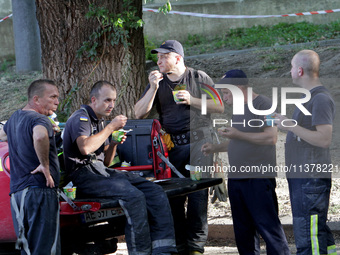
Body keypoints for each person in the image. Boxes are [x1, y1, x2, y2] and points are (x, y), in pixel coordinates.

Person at [62, 80, 176, 255]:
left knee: (154, 190)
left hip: (101, 172)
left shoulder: (100, 122)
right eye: (107, 100)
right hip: (82, 175)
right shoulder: (81, 117)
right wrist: (110, 128)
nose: (111, 105)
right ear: (93, 100)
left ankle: (164, 249)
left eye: (114, 100)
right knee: (134, 197)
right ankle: (141, 252)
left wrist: (113, 142)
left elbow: (106, 162)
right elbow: (85, 148)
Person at [134, 40, 224, 255]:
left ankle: (195, 248)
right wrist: (153, 88)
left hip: (199, 143)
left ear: (177, 58)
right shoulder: (158, 82)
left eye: (164, 56)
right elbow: (138, 113)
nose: (159, 61)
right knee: (173, 197)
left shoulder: (198, 77)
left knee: (197, 197)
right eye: (158, 57)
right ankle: (180, 245)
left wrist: (192, 100)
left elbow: (219, 106)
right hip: (172, 148)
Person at [201, 69, 291, 255]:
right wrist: (215, 148)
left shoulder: (264, 103)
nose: (225, 98)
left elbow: (271, 138)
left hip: (257, 178)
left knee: (269, 230)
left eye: (226, 93)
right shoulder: (239, 109)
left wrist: (237, 134)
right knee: (243, 233)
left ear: (240, 88)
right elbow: (238, 140)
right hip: (237, 179)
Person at [274, 50, 336, 255]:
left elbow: (324, 138)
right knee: (317, 233)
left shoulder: (320, 99)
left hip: (310, 181)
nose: (290, 71)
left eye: (292, 67)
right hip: (305, 180)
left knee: (309, 239)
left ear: (299, 70)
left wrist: (289, 125)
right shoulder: (309, 98)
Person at [0, 79, 61, 255]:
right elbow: (40, 137)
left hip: (18, 195)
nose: (57, 102)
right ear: (36, 99)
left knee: (27, 249)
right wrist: (44, 165)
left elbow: (3, 135)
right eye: (53, 97)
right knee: (45, 248)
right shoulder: (40, 119)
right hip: (39, 192)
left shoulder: (14, 118)